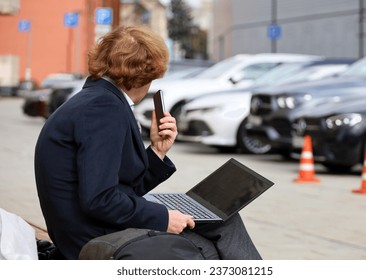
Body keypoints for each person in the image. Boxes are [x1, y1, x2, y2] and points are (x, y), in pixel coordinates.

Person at [34, 25, 261, 260]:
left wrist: (157, 151)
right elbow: (99, 200)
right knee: (210, 244)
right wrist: (163, 217)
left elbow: (116, 188)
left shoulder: (97, 100)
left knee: (222, 218)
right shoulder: (103, 109)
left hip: (90, 230)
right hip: (95, 239)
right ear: (148, 72)